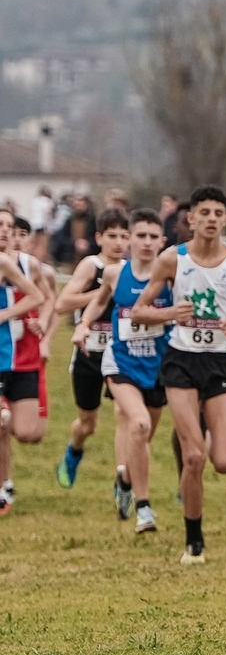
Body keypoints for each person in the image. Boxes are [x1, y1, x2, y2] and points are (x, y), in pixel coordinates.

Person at [130, 185, 226, 565]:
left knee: (224, 462)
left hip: (220, 362)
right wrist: (170, 314)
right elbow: (139, 311)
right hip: (181, 361)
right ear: (190, 219)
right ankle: (194, 543)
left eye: (216, 213)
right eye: (203, 212)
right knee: (195, 458)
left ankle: (201, 424)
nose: (210, 218)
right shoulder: (172, 259)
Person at [79, 209, 169, 532]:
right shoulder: (117, 273)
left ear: (163, 240)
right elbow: (100, 301)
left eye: (152, 236)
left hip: (158, 366)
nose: (146, 242)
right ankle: (144, 510)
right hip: (121, 363)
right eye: (140, 236)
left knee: (142, 438)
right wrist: (84, 325)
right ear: (130, 239)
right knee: (139, 424)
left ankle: (125, 480)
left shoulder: (170, 277)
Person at [52, 208, 130, 489]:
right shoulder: (91, 265)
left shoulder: (131, 269)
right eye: (112, 236)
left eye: (124, 236)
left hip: (121, 354)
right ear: (99, 237)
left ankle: (123, 479)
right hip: (89, 353)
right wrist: (101, 292)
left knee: (125, 413)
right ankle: (74, 451)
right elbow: (62, 303)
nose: (118, 242)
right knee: (88, 424)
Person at [0, 210, 56, 509]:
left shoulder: (23, 265)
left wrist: (43, 327)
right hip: (4, 356)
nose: (6, 231)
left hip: (23, 356)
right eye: (1, 225)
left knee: (27, 432)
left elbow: (46, 299)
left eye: (10, 227)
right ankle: (4, 485)